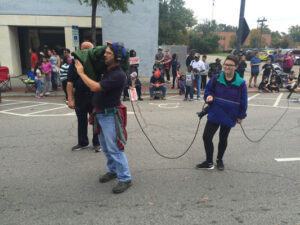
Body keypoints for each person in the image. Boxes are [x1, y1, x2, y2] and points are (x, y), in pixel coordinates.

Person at [74, 41, 132, 194]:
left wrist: (81, 72)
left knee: (114, 147)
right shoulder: (107, 69)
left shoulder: (118, 74)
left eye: (109, 53)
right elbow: (96, 54)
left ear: (117, 57)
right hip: (100, 113)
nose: (105, 55)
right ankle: (113, 171)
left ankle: (125, 178)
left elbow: (94, 87)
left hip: (110, 115)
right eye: (105, 52)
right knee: (106, 147)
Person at [196, 55, 247, 170]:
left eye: (230, 65)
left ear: (236, 67)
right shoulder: (216, 78)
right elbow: (208, 90)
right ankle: (209, 161)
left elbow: (243, 101)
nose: (227, 67)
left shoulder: (241, 83)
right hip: (215, 111)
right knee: (206, 137)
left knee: (223, 138)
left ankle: (219, 160)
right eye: (226, 64)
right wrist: (209, 96)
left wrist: (241, 115)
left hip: (230, 114)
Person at [67, 42, 101, 152]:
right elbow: (69, 82)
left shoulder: (97, 62)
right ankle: (83, 142)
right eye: (84, 49)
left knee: (96, 119)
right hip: (81, 95)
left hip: (95, 95)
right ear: (80, 50)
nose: (86, 51)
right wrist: (70, 99)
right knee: (83, 119)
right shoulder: (75, 62)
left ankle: (97, 143)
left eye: (89, 49)